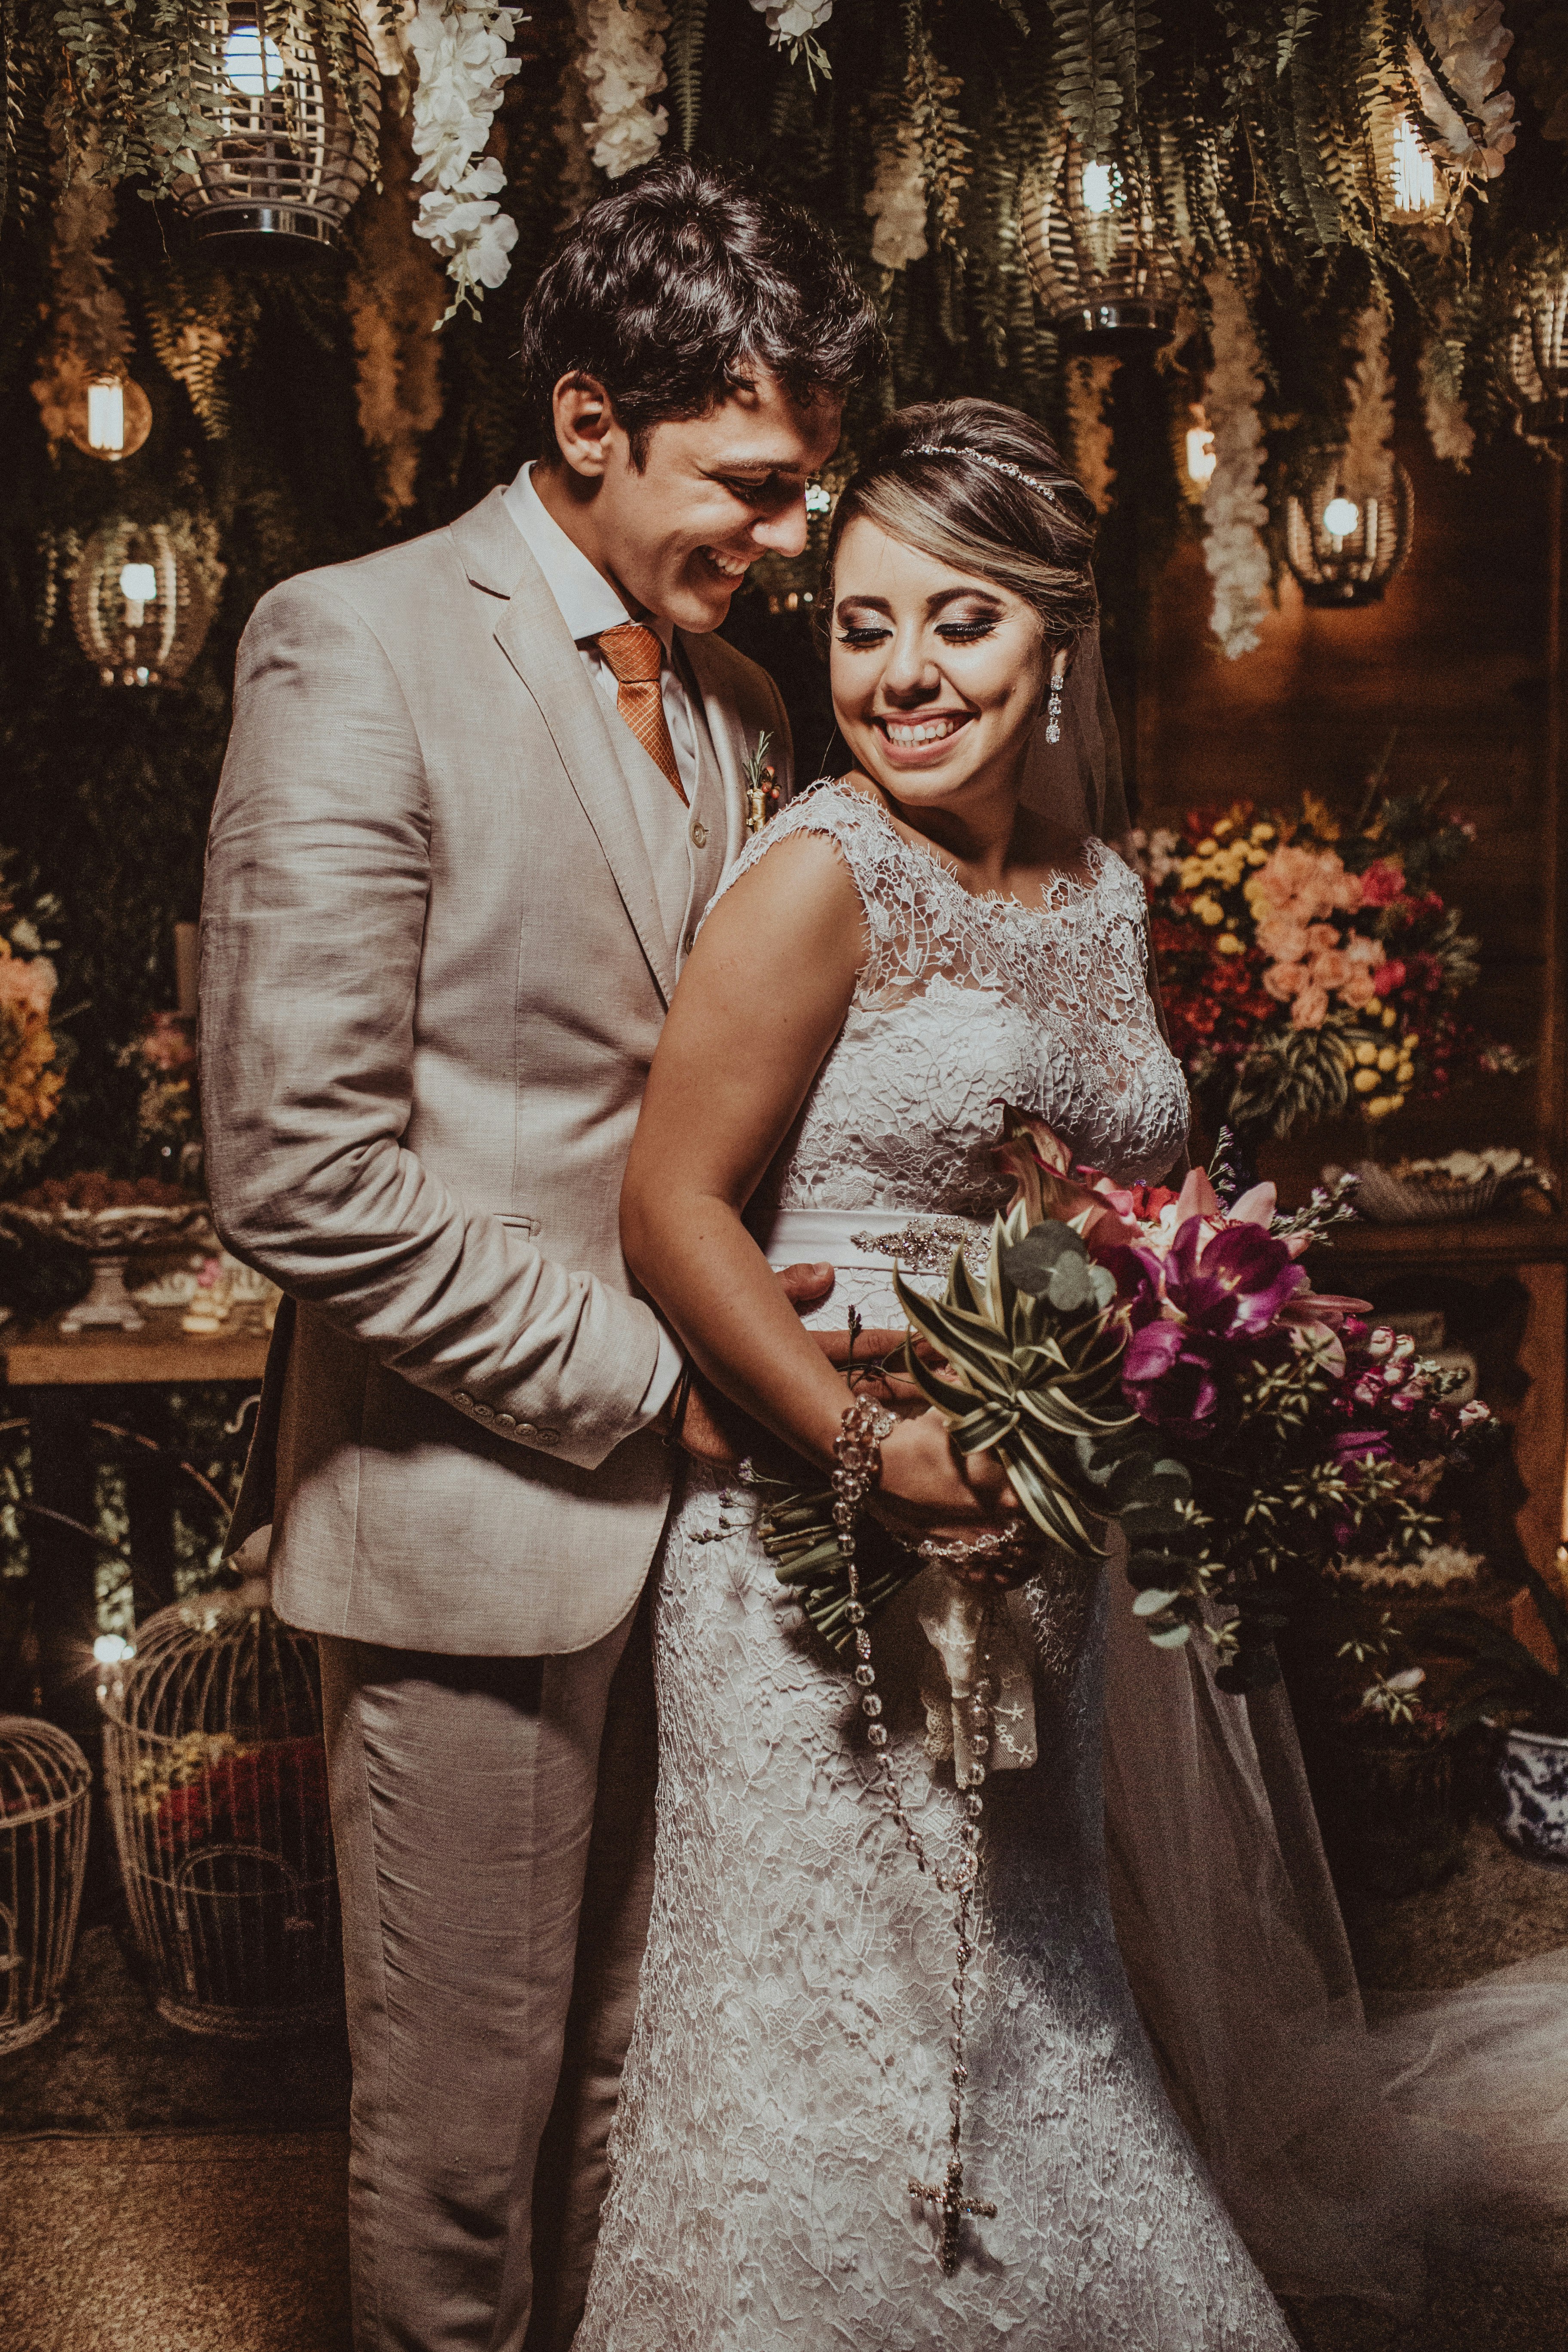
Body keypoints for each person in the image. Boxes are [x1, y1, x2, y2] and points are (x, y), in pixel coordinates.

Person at [199, 159, 895, 2352]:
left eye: (808, 497)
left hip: (710, 1547)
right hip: (466, 1517)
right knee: (463, 2142)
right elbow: (297, 1168)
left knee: (632, 2100)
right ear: (591, 420)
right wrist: (646, 1379)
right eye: (754, 488)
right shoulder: (358, 639)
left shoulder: (744, 715)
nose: (788, 548)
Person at [585, 398, 1299, 2348]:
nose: (903, 675)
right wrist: (870, 1452)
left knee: (1031, 1989)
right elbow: (672, 1211)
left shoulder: (1100, 888)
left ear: (1057, 641)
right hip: (819, 1549)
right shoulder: (821, 878)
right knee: (852, 2048)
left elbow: (1130, 1188)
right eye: (865, 624)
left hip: (1041, 1539)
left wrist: (1207, 1316)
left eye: (960, 623)